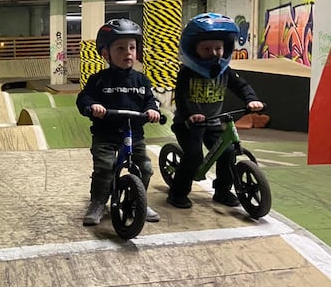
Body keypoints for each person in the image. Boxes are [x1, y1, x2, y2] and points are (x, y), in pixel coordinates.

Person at [167, 12, 264, 209]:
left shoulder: (224, 71)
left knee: (227, 153)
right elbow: (182, 98)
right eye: (206, 49)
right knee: (194, 157)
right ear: (193, 50)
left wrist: (252, 99)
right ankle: (177, 193)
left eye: (218, 48)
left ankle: (222, 190)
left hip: (213, 122)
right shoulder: (187, 73)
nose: (214, 53)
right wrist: (191, 114)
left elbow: (241, 86)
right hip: (188, 124)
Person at [76, 18, 162, 226]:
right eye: (121, 48)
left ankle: (137, 201)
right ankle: (98, 202)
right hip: (106, 134)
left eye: (132, 47)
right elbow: (84, 98)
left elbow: (151, 100)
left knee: (145, 167)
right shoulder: (99, 79)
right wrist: (93, 106)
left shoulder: (142, 80)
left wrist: (152, 109)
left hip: (134, 135)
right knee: (105, 167)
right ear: (106, 54)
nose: (128, 53)